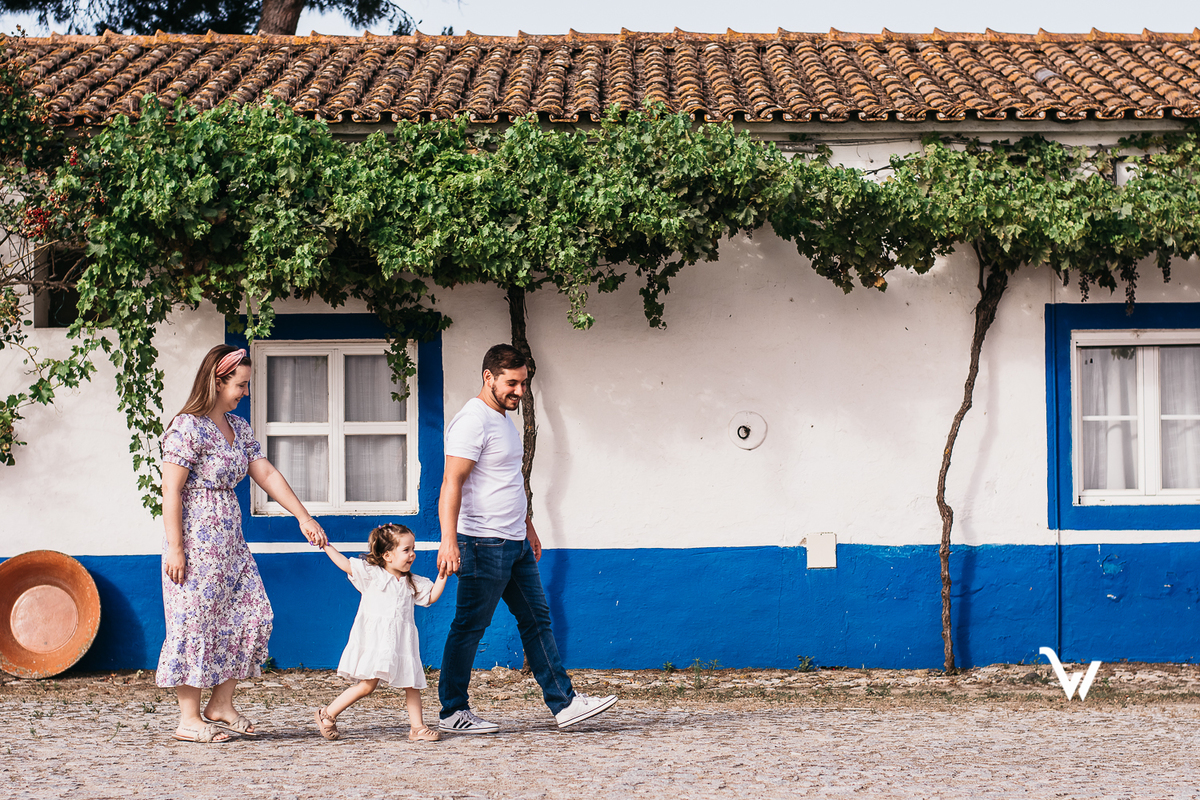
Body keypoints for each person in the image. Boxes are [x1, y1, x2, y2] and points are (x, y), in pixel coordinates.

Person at [436, 343, 617, 733]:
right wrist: (448, 541)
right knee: (469, 626)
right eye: (512, 383)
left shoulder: (502, 419)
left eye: (523, 383)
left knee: (537, 620)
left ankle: (564, 704)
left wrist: (527, 524)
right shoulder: (472, 421)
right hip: (482, 542)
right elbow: (452, 482)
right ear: (489, 377)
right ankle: (453, 711)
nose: (519, 391)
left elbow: (509, 480)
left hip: (513, 541)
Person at [159, 344, 327, 744]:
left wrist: (303, 516)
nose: (244, 393)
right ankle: (188, 719)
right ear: (217, 381)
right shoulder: (187, 427)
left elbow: (265, 473)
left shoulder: (239, 428)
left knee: (254, 614)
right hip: (196, 543)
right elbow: (171, 490)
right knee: (194, 624)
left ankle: (220, 704)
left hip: (231, 545)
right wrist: (176, 547)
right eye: (240, 385)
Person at [315, 524, 448, 742]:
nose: (412, 554)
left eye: (413, 548)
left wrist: (443, 575)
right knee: (367, 686)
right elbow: (345, 564)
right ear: (387, 555)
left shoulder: (412, 582)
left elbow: (431, 597)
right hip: (376, 642)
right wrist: (326, 545)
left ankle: (418, 728)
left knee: (412, 684)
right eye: (406, 550)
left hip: (401, 644)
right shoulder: (371, 574)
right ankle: (327, 714)